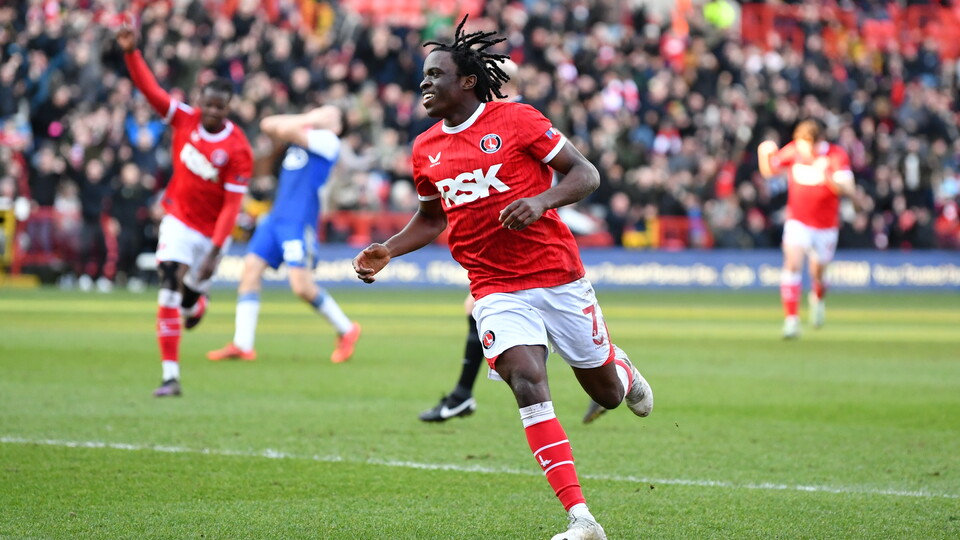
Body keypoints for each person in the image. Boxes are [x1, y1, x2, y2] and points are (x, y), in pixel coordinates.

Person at [352, 17, 652, 540]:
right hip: (493, 287)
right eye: (422, 76)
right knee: (526, 380)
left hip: (557, 275)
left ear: (467, 81)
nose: (424, 84)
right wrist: (389, 250)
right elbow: (431, 217)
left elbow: (586, 174)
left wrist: (541, 200)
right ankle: (582, 519)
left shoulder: (517, 121)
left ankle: (622, 371)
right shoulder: (425, 150)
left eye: (434, 75)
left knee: (604, 393)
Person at [116, 23, 254, 397]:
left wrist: (214, 252)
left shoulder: (238, 149)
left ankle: (197, 303)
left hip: (211, 235)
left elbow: (231, 206)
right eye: (207, 104)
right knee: (167, 289)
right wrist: (132, 52)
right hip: (178, 219)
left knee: (189, 306)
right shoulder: (184, 118)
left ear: (228, 108)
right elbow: (149, 90)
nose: (211, 111)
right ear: (200, 100)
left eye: (219, 107)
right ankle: (170, 376)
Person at [206, 106, 361, 363]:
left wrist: (309, 118)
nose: (323, 113)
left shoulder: (328, 140)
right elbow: (267, 123)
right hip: (275, 219)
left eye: (331, 115)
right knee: (250, 272)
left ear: (337, 128)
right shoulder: (306, 136)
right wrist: (310, 118)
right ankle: (242, 344)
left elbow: (283, 128)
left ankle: (347, 329)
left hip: (298, 223)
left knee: (300, 286)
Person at [417, 58, 520, 423]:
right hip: (497, 245)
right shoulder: (479, 120)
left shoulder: (515, 118)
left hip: (530, 235)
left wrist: (540, 202)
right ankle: (462, 394)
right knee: (475, 309)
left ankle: (608, 373)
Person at [758, 119, 856, 339]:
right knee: (792, 263)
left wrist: (828, 177)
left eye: (806, 144)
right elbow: (769, 171)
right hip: (798, 220)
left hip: (825, 225)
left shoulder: (835, 155)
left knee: (818, 273)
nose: (802, 148)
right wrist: (762, 154)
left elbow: (849, 190)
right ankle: (791, 320)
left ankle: (817, 299)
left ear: (817, 141)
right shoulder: (794, 150)